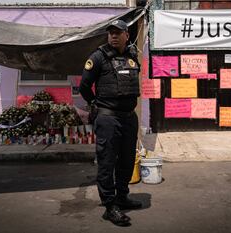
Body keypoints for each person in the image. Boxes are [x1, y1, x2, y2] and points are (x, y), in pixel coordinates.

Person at [79, 19, 142, 227]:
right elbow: (85, 87)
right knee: (107, 161)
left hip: (129, 117)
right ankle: (110, 206)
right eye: (111, 33)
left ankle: (122, 197)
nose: (113, 36)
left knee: (126, 159)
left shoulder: (132, 57)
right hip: (108, 117)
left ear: (127, 36)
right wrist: (95, 104)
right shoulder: (98, 57)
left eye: (118, 33)